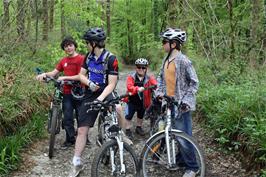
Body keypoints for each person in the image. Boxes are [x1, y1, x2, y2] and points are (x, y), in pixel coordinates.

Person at [70, 27, 119, 177]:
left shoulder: (111, 59)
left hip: (106, 91)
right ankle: (77, 162)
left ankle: (121, 135)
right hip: (91, 93)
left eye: (87, 43)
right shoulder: (88, 56)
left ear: (93, 43)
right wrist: (90, 83)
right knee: (82, 129)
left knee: (118, 109)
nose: (86, 45)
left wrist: (100, 98)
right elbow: (81, 75)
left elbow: (112, 84)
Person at [156, 27, 199, 177]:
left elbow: (194, 82)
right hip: (168, 104)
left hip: (181, 106)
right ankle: (181, 160)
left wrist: (186, 101)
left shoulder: (183, 60)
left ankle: (193, 167)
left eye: (164, 42)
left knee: (183, 136)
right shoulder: (166, 60)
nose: (163, 44)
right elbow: (161, 78)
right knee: (174, 134)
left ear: (173, 44)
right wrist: (159, 93)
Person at [36, 36, 85, 149]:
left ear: (74, 46)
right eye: (65, 46)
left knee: (80, 116)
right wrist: (44, 74)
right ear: (64, 49)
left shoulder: (81, 59)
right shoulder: (63, 61)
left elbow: (81, 76)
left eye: (70, 45)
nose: (68, 48)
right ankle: (70, 139)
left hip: (80, 91)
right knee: (67, 116)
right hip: (67, 92)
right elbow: (54, 73)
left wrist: (64, 77)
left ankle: (83, 138)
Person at [124, 58, 157, 139]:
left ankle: (138, 128)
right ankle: (127, 130)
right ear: (136, 68)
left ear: (146, 69)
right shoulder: (131, 77)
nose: (141, 69)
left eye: (143, 67)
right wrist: (137, 89)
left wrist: (156, 87)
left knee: (141, 115)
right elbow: (129, 86)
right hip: (131, 100)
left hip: (143, 101)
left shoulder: (149, 78)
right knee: (129, 116)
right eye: (139, 67)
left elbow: (155, 84)